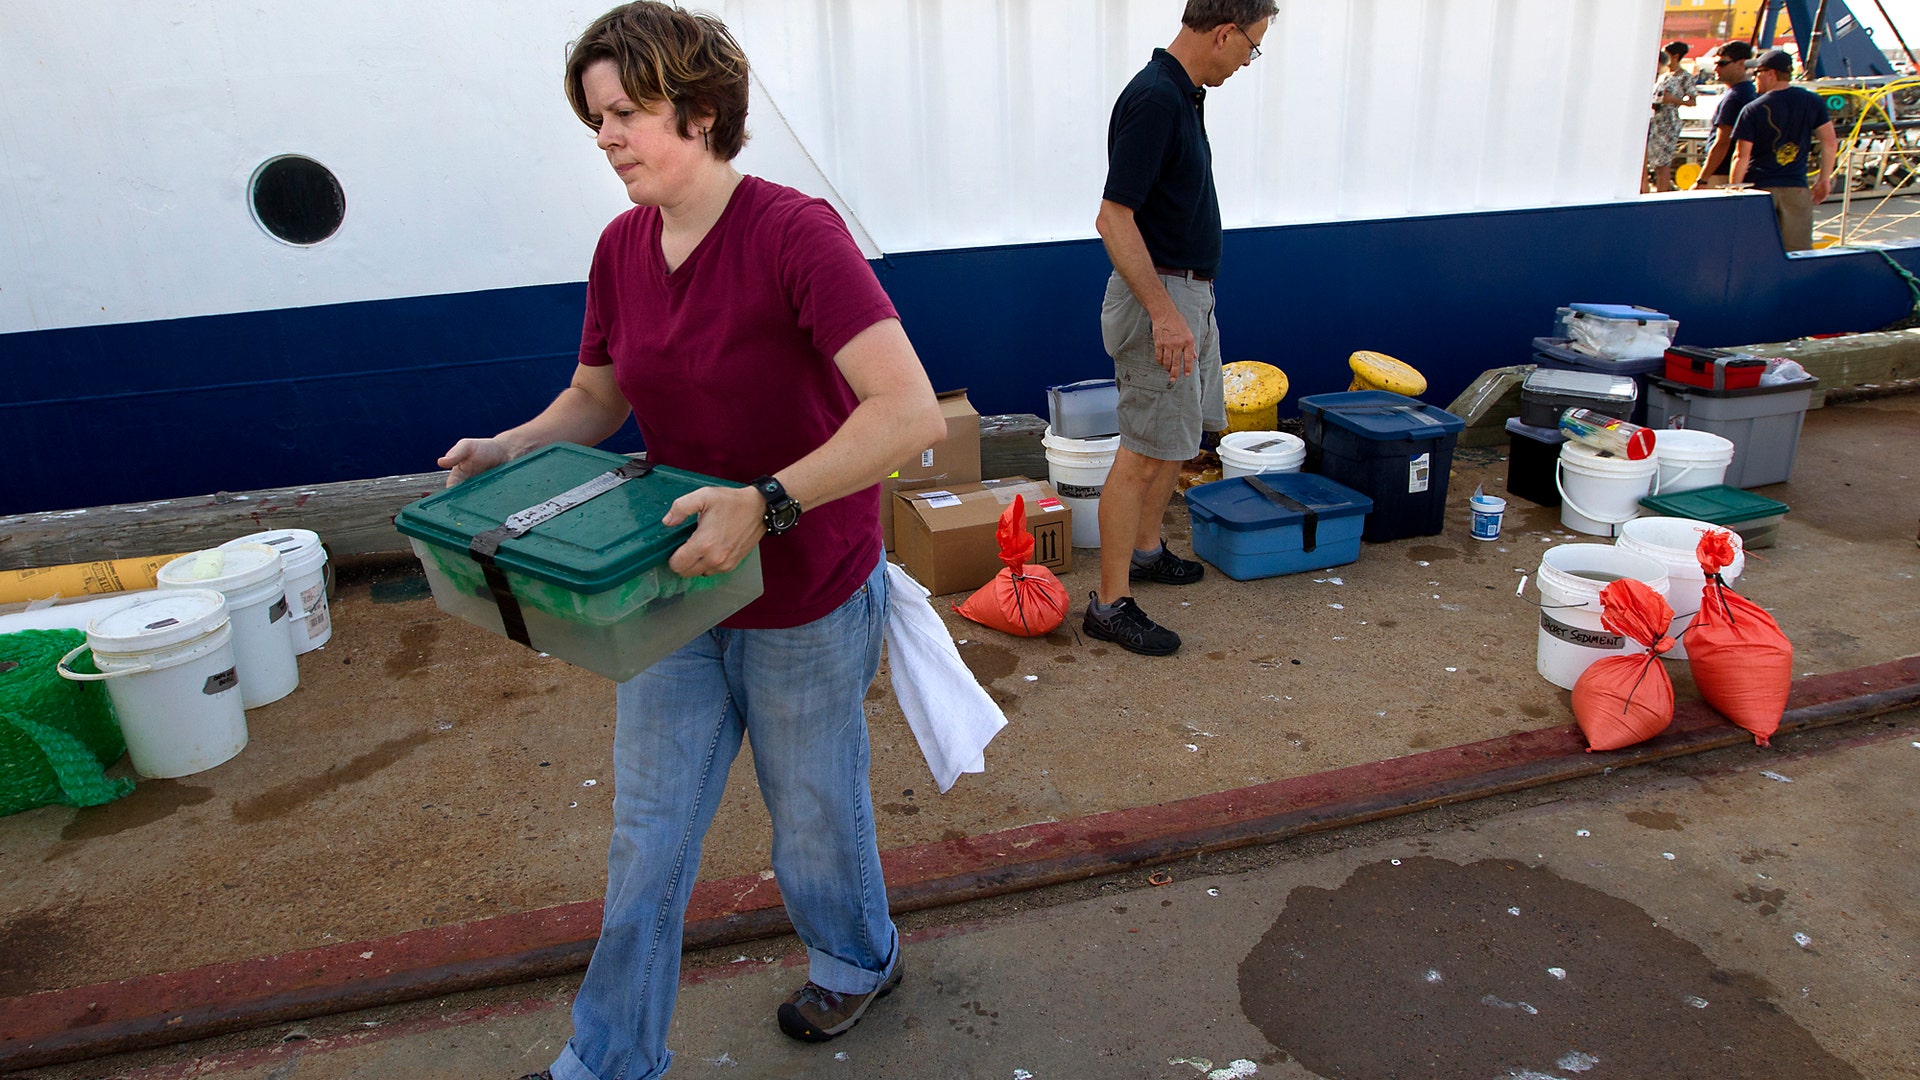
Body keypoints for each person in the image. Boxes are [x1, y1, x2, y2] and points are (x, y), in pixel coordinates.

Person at [439, 5, 946, 1078]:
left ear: (704, 111)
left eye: (627, 112)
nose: (607, 137)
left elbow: (909, 414)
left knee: (813, 813)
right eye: (596, 119)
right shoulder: (622, 248)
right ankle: (609, 1058)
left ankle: (857, 957)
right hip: (667, 591)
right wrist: (512, 449)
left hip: (805, 585)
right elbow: (594, 395)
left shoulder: (792, 232)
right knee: (649, 838)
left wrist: (761, 503)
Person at [1087, 0, 1275, 657]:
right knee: (1140, 449)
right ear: (1225, 32)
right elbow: (1114, 218)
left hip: (1187, 292)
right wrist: (1165, 316)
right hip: (1159, 299)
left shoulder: (1184, 94)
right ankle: (1109, 605)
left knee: (1176, 438)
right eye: (1251, 48)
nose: (1248, 62)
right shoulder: (1157, 100)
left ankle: (1144, 550)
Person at [1730, 47, 1839, 252]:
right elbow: (1829, 141)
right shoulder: (1812, 101)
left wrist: (1734, 191)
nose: (1754, 78)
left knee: (1756, 251)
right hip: (1796, 188)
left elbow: (1741, 156)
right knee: (1798, 252)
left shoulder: (1753, 109)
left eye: (1757, 73)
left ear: (1771, 74)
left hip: (1759, 189)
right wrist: (1824, 179)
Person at [1697, 41, 1757, 188]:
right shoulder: (1750, 92)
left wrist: (1702, 180)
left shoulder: (1735, 97)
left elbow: (1722, 142)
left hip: (1722, 172)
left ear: (1741, 63)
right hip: (1738, 169)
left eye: (1722, 63)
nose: (1716, 68)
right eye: (1715, 63)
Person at [1645, 45, 1693, 192]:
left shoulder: (1685, 77)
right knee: (1649, 160)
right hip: (1656, 119)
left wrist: (1673, 100)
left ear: (1675, 56)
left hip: (1669, 120)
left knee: (1663, 163)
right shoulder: (1663, 76)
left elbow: (1692, 101)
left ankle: (1662, 192)